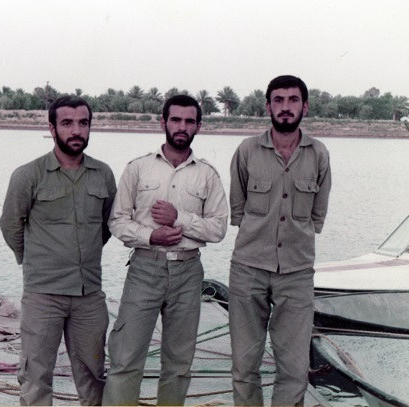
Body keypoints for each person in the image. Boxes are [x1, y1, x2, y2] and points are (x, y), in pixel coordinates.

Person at [102, 95, 228, 406]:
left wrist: (179, 219)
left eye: (189, 121)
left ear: (198, 126)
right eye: (176, 120)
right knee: (125, 358)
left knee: (179, 364)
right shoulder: (138, 168)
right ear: (163, 122)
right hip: (144, 269)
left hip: (188, 272)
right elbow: (117, 221)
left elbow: (218, 228)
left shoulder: (207, 174)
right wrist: (151, 235)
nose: (182, 127)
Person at [0, 95, 116, 406]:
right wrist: (35, 261)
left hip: (89, 295)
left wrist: (82, 257)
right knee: (36, 375)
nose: (76, 130)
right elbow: (10, 225)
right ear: (52, 128)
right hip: (43, 295)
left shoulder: (103, 174)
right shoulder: (29, 175)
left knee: (94, 374)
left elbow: (106, 226)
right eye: (67, 123)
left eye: (83, 123)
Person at [228, 75, 332, 406]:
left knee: (295, 369)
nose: (285, 107)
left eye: (293, 100)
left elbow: (317, 215)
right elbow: (238, 209)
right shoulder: (247, 150)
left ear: (305, 106)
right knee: (245, 366)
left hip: (297, 273)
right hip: (248, 270)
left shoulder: (319, 154)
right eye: (278, 100)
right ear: (268, 106)